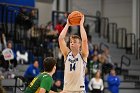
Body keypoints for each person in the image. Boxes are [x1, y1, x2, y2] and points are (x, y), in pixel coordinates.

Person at [58, 15, 89, 92]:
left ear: (80, 45)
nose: (72, 43)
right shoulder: (66, 53)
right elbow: (60, 39)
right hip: (67, 90)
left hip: (79, 90)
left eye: (74, 42)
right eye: (71, 41)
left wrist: (81, 24)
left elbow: (84, 40)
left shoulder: (83, 55)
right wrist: (67, 24)